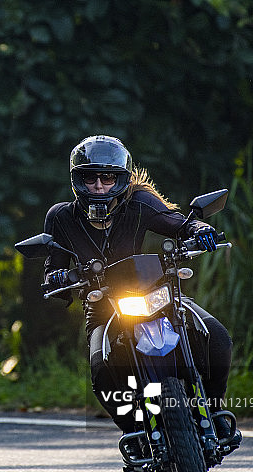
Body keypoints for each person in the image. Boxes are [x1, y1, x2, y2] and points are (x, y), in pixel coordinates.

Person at [42, 135, 241, 454]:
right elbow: (53, 267)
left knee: (215, 336)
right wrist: (57, 278)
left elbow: (177, 223)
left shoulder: (140, 204)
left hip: (154, 296)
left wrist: (198, 231)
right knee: (100, 368)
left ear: (121, 179)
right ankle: (135, 433)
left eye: (108, 177)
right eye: (89, 176)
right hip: (103, 308)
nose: (98, 185)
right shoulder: (61, 217)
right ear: (76, 179)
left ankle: (214, 411)